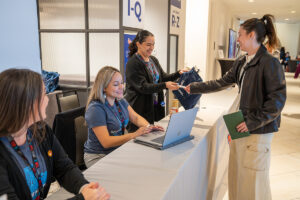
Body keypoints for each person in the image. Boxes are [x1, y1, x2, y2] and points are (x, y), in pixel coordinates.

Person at [185, 14, 286, 200]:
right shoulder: (242, 61)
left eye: (240, 35)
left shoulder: (270, 63)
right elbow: (222, 82)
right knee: (236, 174)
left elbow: (276, 103)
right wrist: (194, 87)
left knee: (254, 180)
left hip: (257, 128)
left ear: (251, 35)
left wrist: (251, 123)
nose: (237, 39)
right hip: (237, 121)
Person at [0, 69, 110, 200]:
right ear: (26, 102)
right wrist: (83, 198)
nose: (47, 100)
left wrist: (84, 188)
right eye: (44, 94)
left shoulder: (41, 131)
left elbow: (64, 168)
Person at [84, 66, 163, 168]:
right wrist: (134, 135)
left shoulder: (120, 100)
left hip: (117, 150)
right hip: (98, 156)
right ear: (104, 87)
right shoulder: (96, 109)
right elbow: (106, 142)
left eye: (122, 83)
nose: (121, 87)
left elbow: (135, 118)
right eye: (116, 84)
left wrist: (149, 127)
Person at [125, 30, 188, 132]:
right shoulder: (133, 63)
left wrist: (179, 73)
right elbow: (143, 87)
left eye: (153, 44)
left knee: (153, 134)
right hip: (139, 108)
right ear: (138, 44)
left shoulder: (153, 60)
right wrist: (165, 85)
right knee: (140, 138)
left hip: (154, 106)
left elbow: (163, 77)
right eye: (148, 45)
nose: (152, 48)